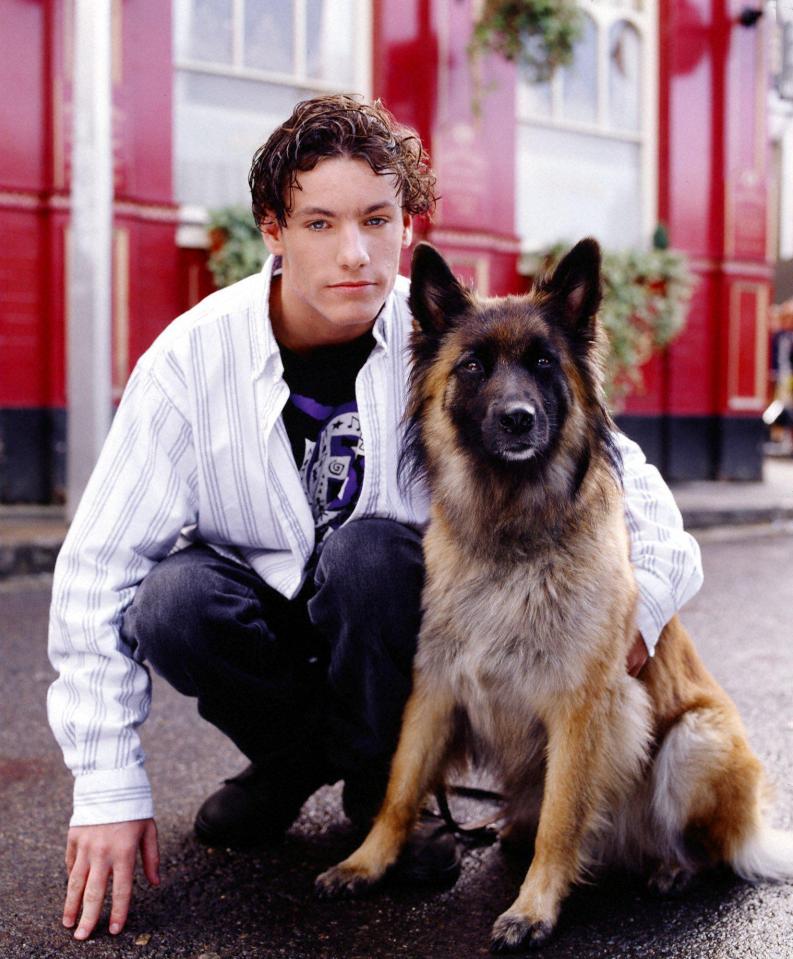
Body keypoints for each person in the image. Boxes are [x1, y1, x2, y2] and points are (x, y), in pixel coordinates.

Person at [47, 94, 703, 942]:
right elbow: (97, 567)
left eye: (376, 219)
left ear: (407, 222)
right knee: (171, 599)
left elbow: (638, 499)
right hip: (262, 624)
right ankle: (287, 764)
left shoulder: (450, 335)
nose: (354, 253)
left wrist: (637, 609)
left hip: (384, 626)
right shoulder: (190, 361)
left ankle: (380, 792)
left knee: (369, 557)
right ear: (272, 230)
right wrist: (106, 787)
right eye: (319, 222)